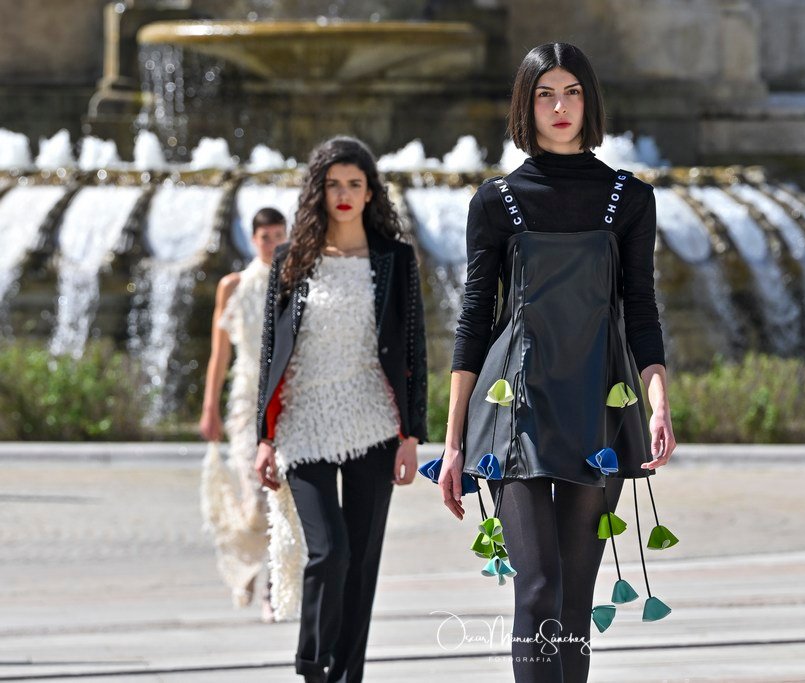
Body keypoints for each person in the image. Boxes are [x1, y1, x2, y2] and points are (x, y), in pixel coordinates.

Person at [436, 43, 678, 683]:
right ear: (527, 104)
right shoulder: (496, 202)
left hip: (598, 406)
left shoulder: (630, 199)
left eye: (572, 92)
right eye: (545, 94)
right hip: (513, 410)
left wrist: (658, 405)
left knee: (574, 597)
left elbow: (641, 312)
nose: (560, 106)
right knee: (538, 586)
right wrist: (453, 442)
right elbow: (473, 322)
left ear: (589, 101)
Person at [253, 136, 428, 683]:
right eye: (334, 184)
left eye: (355, 183)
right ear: (319, 191)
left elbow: (414, 350)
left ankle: (347, 674)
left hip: (374, 424)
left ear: (370, 191)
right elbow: (270, 352)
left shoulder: (395, 260)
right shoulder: (292, 259)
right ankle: (312, 665)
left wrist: (411, 435)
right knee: (329, 552)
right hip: (303, 425)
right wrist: (264, 437)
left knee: (363, 560)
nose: (344, 194)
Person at [199, 207, 288, 622]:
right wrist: (209, 407)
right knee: (254, 496)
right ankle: (247, 560)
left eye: (278, 235)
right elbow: (219, 354)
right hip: (245, 400)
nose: (272, 244)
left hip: (286, 399)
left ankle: (273, 584)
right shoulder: (233, 285)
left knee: (280, 494)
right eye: (265, 237)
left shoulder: (295, 279)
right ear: (253, 240)